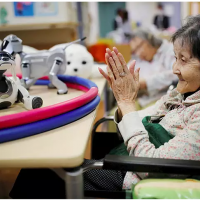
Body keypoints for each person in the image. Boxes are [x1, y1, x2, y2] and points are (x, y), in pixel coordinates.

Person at [10, 15, 200, 198]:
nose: (175, 68)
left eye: (183, 60)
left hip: (134, 173)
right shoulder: (182, 92)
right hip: (131, 157)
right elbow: (145, 118)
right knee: (46, 162)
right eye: (176, 58)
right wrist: (124, 102)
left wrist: (127, 104)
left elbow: (153, 166)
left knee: (37, 175)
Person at [128, 28, 178, 108]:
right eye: (135, 51)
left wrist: (146, 83)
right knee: (115, 115)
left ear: (149, 40)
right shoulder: (141, 59)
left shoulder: (169, 51)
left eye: (139, 47)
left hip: (162, 100)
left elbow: (176, 73)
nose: (138, 53)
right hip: (141, 99)